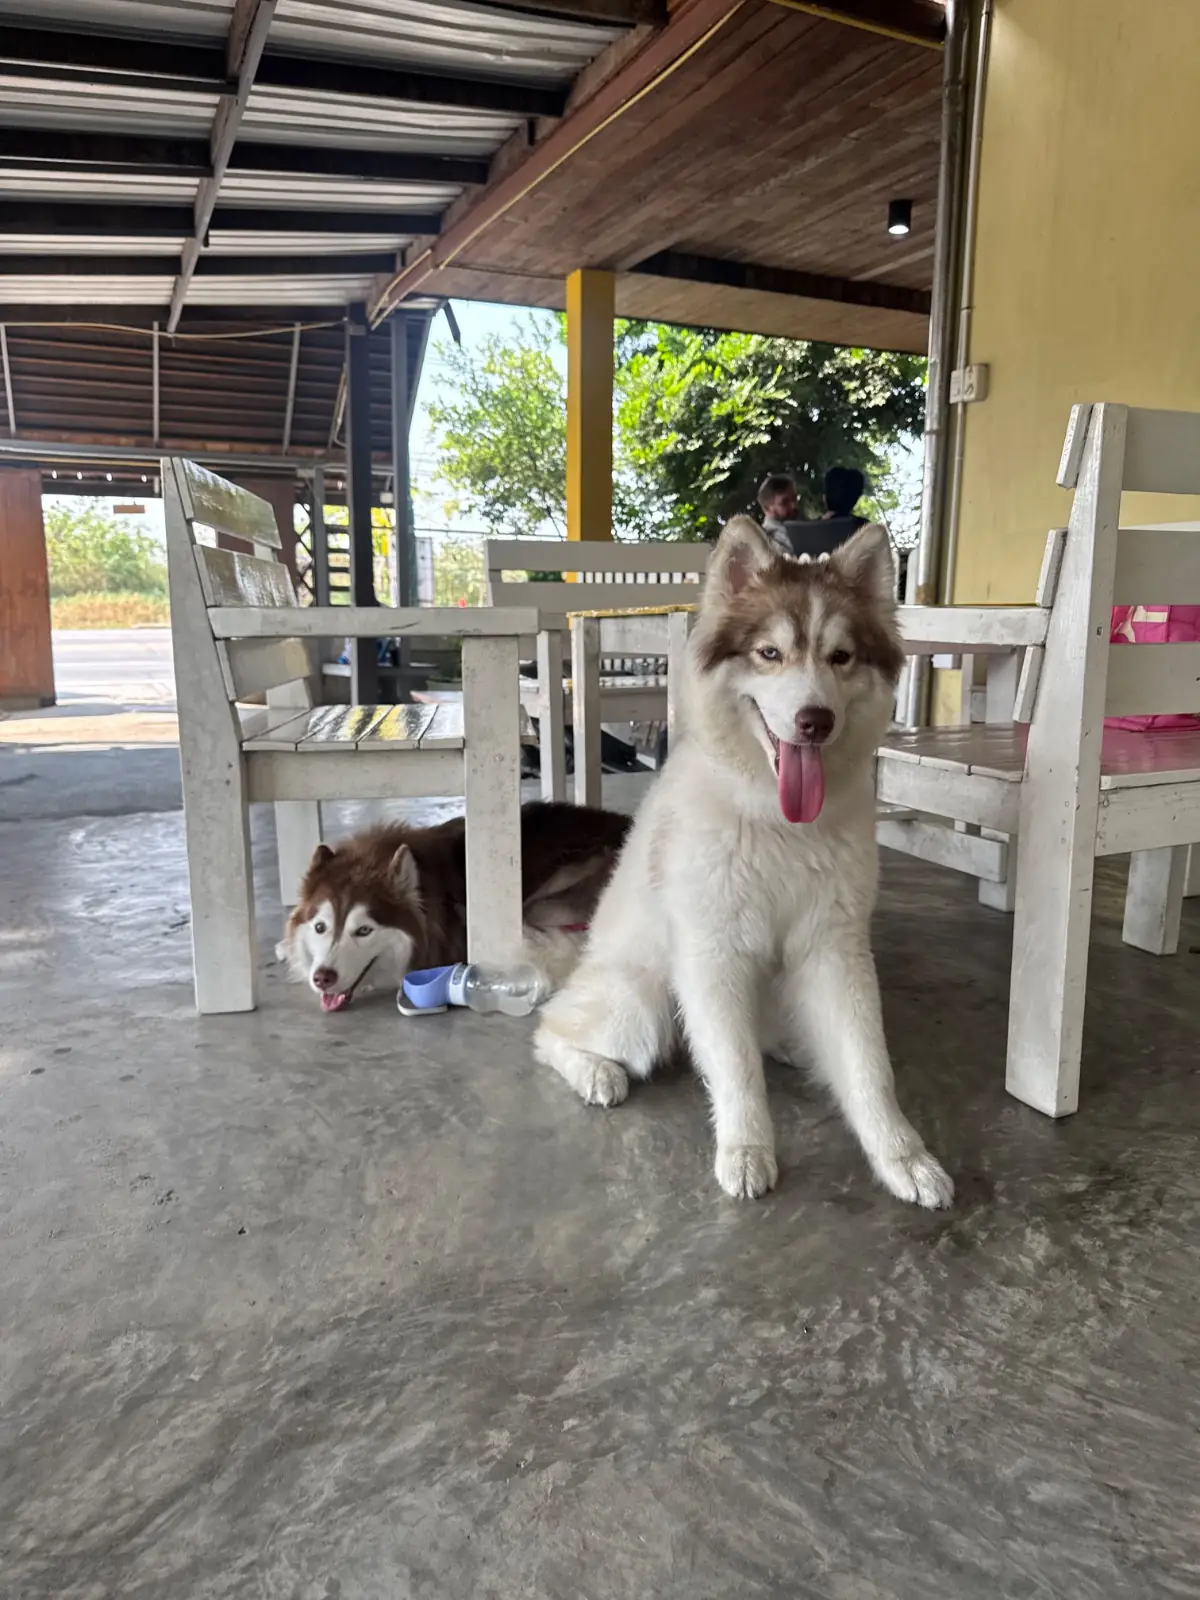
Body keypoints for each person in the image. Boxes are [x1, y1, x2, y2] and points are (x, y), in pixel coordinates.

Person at [756, 472, 799, 556]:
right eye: (784, 502)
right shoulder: (764, 541)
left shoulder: (800, 528)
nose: (793, 506)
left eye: (794, 498)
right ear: (767, 508)